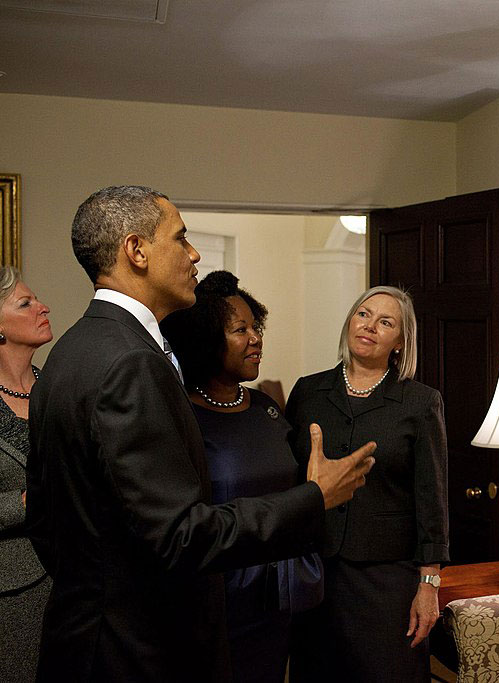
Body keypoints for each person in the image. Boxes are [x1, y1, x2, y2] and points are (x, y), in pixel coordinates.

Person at [26, 186, 376, 682]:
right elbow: (181, 536)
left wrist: (97, 587)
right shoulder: (131, 362)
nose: (194, 255)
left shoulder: (69, 351)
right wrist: (314, 497)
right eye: (181, 238)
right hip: (136, 652)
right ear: (137, 250)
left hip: (84, 639)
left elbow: (44, 519)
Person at [161, 270, 323, 683]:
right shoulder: (182, 414)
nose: (256, 338)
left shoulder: (266, 408)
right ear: (205, 339)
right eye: (240, 329)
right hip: (214, 601)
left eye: (256, 327)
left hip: (276, 599)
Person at [287, 286, 448, 683]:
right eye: (364, 314)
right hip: (315, 572)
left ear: (400, 342)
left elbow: (432, 499)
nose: (370, 326)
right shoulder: (309, 391)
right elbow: (289, 478)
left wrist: (429, 585)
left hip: (387, 581)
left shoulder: (420, 402)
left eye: (385, 322)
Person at [0, 268, 52, 682]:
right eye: (25, 303)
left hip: (76, 584)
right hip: (10, 597)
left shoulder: (58, 385)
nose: (42, 307)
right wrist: (23, 501)